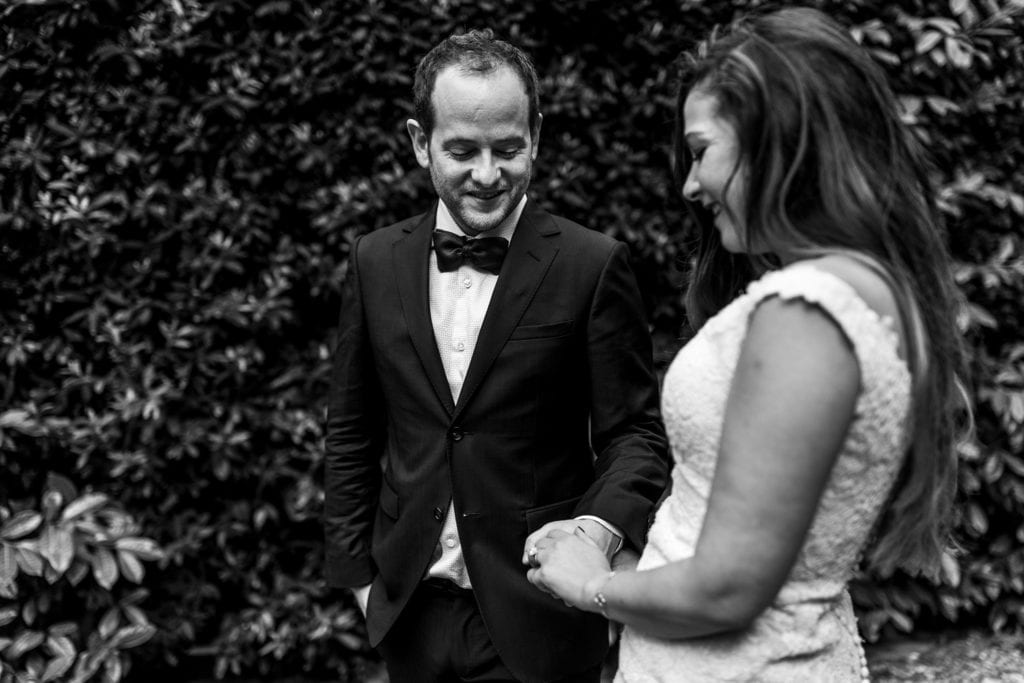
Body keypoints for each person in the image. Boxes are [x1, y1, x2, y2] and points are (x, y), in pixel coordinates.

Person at [526, 7, 970, 682]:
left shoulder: (806, 311)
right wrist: (633, 562)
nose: (689, 184)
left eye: (701, 151)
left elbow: (728, 588)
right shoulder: (869, 292)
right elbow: (751, 538)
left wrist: (592, 584)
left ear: (775, 139)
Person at [323, 29, 670, 683]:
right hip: (409, 614)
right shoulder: (373, 260)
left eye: (507, 149)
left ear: (535, 135)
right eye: (462, 151)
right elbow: (350, 429)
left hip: (542, 620)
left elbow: (635, 436)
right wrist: (360, 583)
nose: (487, 175)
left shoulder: (592, 264)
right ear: (419, 142)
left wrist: (593, 537)